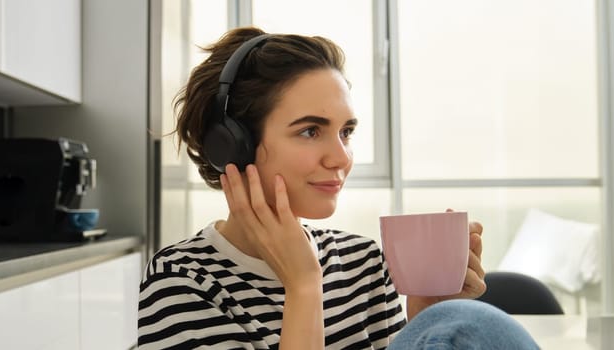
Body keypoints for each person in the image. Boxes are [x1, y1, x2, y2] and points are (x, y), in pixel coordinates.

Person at [138, 26, 539, 349]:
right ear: (232, 145)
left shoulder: (363, 262)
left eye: (346, 132)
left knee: (460, 322)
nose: (342, 158)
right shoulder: (181, 280)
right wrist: (303, 286)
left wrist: (427, 317)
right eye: (311, 131)